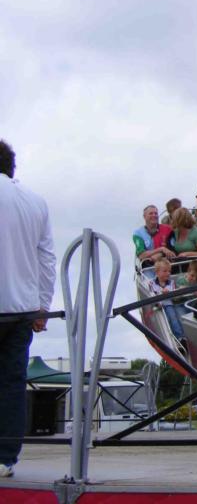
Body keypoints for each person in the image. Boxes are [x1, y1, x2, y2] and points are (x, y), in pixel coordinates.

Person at [0, 140, 57, 477]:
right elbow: (46, 257)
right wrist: (42, 306)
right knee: (11, 383)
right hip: (21, 307)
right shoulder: (35, 202)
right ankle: (5, 456)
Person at [146, 259, 186, 344]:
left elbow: (174, 295)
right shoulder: (151, 283)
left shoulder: (171, 283)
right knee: (165, 321)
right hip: (158, 306)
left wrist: (169, 293)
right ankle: (169, 340)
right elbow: (151, 294)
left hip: (168, 305)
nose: (168, 273)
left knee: (173, 319)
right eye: (165, 271)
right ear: (157, 272)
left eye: (169, 271)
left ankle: (180, 338)